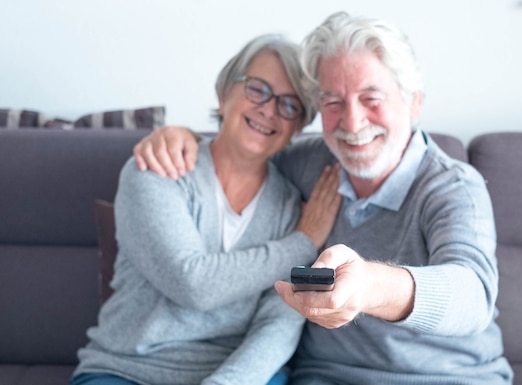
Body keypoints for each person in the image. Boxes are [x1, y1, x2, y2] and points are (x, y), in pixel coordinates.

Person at [133, 12, 514, 385]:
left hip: (447, 377)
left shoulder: (451, 186)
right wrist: (178, 137)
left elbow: (472, 293)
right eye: (333, 102)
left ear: (413, 101)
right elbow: (244, 150)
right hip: (327, 376)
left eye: (370, 98)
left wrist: (368, 286)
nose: (351, 122)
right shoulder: (311, 163)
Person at [70, 34, 342, 385]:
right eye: (257, 89)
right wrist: (303, 243)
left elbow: (280, 320)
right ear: (224, 93)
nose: (269, 109)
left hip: (235, 374)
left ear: (298, 127)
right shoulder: (159, 169)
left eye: (289, 105)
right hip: (127, 370)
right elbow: (193, 284)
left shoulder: (293, 207)